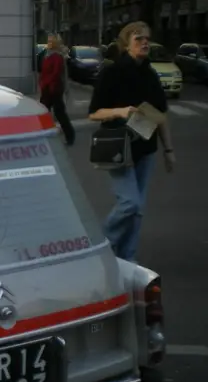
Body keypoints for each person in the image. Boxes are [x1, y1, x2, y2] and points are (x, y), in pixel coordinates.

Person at [88, 21, 176, 262]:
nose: (145, 42)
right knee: (130, 203)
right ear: (126, 44)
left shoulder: (150, 74)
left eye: (147, 38)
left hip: (145, 149)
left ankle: (128, 259)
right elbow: (94, 113)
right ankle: (102, 245)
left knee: (136, 213)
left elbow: (160, 115)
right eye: (139, 39)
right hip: (117, 147)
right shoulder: (112, 71)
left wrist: (168, 150)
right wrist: (120, 111)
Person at [39, 33, 75, 146]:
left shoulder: (57, 56)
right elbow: (43, 71)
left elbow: (55, 73)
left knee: (59, 113)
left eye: (50, 41)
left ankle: (70, 136)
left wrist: (46, 82)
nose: (48, 43)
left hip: (54, 89)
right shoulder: (46, 54)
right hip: (46, 88)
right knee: (43, 111)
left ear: (55, 43)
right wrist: (42, 82)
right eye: (48, 40)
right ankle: (43, 134)